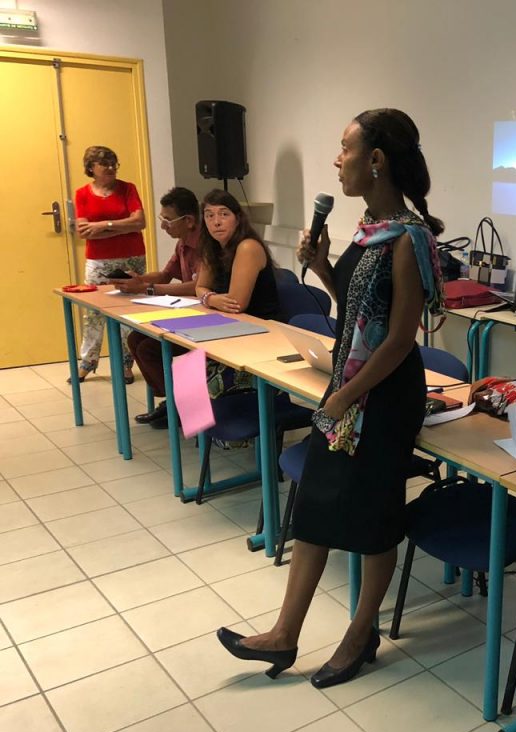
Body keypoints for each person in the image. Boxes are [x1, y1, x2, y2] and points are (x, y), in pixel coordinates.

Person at [216, 108, 445, 688]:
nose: (336, 161)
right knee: (315, 503)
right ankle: (283, 634)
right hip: (349, 386)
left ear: (376, 160)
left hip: (383, 396)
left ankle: (360, 634)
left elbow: (399, 338)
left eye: (345, 148)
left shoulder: (409, 238)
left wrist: (345, 395)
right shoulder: (370, 228)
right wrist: (321, 268)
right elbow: (358, 309)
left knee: (373, 519)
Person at [114, 187, 202, 428]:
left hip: (205, 317)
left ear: (189, 221)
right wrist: (138, 280)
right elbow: (165, 275)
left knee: (149, 349)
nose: (163, 225)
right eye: (161, 218)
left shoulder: (205, 245)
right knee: (135, 339)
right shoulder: (182, 243)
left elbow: (197, 287)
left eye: (168, 220)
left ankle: (182, 406)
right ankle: (174, 402)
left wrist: (148, 288)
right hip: (188, 313)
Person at [71, 145, 147, 383]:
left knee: (128, 311)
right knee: (94, 312)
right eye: (104, 164)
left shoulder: (128, 188)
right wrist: (123, 227)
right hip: (98, 261)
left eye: (114, 163)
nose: (111, 168)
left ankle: (126, 364)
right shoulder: (82, 194)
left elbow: (140, 222)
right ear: (91, 168)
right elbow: (84, 232)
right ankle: (87, 362)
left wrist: (103, 226)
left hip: (131, 258)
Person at [194, 188, 280, 320]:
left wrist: (208, 298)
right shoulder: (211, 247)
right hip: (229, 319)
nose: (216, 222)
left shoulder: (248, 247)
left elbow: (236, 304)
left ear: (238, 219)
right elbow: (200, 287)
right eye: (209, 216)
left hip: (260, 323)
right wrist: (211, 299)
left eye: (224, 214)